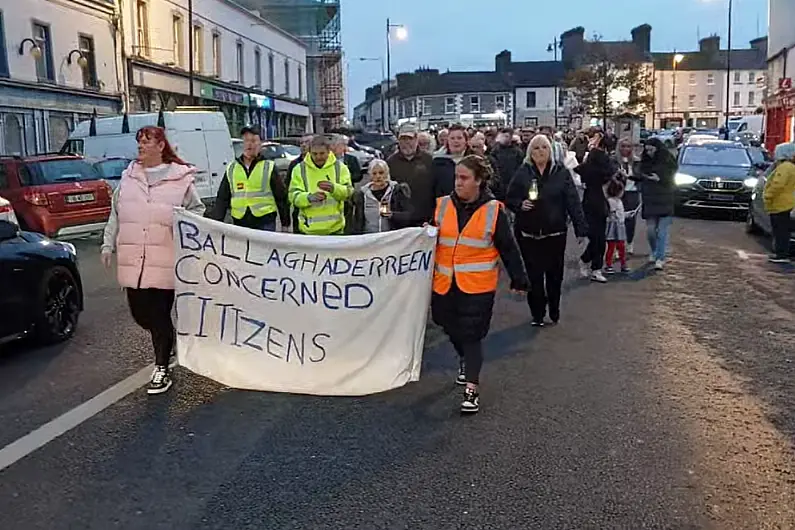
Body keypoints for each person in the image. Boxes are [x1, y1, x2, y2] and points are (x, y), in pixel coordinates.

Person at [101, 126, 205, 394]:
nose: (141, 147)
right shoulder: (128, 178)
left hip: (165, 257)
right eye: (139, 143)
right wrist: (107, 244)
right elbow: (116, 213)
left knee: (158, 314)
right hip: (133, 259)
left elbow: (197, 212)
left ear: (161, 146)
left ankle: (162, 367)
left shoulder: (180, 179)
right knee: (140, 315)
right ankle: (166, 340)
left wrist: (183, 231)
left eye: (147, 142)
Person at [431, 155, 528, 413]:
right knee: (446, 324)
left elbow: (508, 247)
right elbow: (428, 239)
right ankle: (463, 357)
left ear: (479, 181)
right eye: (456, 178)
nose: (458, 183)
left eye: (464, 178)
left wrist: (519, 279)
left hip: (477, 286)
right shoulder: (441, 205)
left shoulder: (494, 210)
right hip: (444, 283)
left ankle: (471, 389)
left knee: (472, 335)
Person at [506, 134, 587, 327]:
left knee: (554, 275)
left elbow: (573, 201)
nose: (540, 151)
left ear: (550, 150)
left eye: (544, 147)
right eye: (536, 148)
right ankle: (537, 314)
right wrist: (519, 204)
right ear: (530, 152)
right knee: (534, 276)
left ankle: (554, 309)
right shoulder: (523, 172)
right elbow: (510, 197)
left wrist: (580, 228)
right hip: (529, 234)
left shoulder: (560, 172)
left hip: (555, 233)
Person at [209, 126, 289, 231]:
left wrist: (285, 223)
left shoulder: (268, 166)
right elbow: (222, 198)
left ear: (260, 144)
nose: (249, 144)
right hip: (240, 222)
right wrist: (217, 222)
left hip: (264, 221)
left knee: (264, 248)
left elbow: (281, 197)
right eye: (246, 140)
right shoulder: (232, 168)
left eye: (253, 140)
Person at [289, 134, 353, 235]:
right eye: (315, 154)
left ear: (329, 151)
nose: (318, 157)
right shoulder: (299, 169)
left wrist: (334, 189)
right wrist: (309, 197)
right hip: (308, 230)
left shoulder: (340, 168)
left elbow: (348, 192)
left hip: (335, 230)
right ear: (309, 152)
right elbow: (293, 196)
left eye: (322, 153)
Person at [575, 132, 615, 282]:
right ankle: (591, 264)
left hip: (595, 202)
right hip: (596, 202)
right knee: (597, 237)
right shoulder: (603, 164)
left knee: (599, 238)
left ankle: (593, 265)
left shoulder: (593, 163)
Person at [637, 137, 678, 270]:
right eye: (647, 150)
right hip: (650, 199)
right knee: (650, 231)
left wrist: (660, 179)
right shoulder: (645, 161)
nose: (648, 152)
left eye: (651, 149)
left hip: (665, 198)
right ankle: (654, 251)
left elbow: (672, 177)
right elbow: (640, 174)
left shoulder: (668, 160)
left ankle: (660, 257)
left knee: (662, 232)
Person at [388, 123, 435, 225]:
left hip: (425, 219)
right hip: (399, 220)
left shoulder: (429, 160)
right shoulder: (391, 162)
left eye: (410, 139)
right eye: (403, 139)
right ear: (398, 141)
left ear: (416, 140)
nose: (406, 143)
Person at [351, 160, 413, 234]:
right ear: (370, 175)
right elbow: (358, 221)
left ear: (386, 174)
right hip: (369, 238)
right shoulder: (362, 194)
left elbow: (408, 215)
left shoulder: (397, 191)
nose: (378, 176)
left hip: (391, 237)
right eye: (374, 173)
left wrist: (392, 215)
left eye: (381, 173)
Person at [763, 142, 795, 263]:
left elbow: (778, 184)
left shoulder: (785, 167)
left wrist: (768, 195)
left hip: (780, 203)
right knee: (782, 230)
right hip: (784, 202)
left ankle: (781, 254)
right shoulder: (789, 166)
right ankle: (781, 253)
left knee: (780, 230)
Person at [614, 137, 642, 254]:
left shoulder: (636, 161)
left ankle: (629, 243)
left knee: (630, 221)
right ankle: (616, 246)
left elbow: (640, 177)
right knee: (617, 220)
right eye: (623, 146)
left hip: (632, 192)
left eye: (628, 146)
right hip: (618, 193)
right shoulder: (614, 160)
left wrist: (629, 177)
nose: (626, 149)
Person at [432, 124, 471, 198]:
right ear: (448, 141)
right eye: (452, 138)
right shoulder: (437, 161)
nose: (456, 141)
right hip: (446, 206)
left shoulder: (476, 159)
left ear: (466, 141)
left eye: (459, 138)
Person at [489, 129, 524, 202]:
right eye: (503, 136)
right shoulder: (494, 151)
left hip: (513, 185)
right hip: (499, 187)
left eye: (507, 136)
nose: (504, 138)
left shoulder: (517, 152)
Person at [604, 178, 629, 274]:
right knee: (613, 246)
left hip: (619, 225)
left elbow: (620, 213)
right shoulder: (612, 201)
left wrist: (626, 214)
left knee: (619, 246)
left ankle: (621, 264)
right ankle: (610, 264)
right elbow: (614, 213)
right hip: (615, 226)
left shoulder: (617, 201)